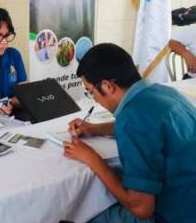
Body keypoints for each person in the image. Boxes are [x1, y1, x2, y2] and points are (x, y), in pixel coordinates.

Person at [63, 43, 196, 223]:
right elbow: (150, 125)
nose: (93, 99)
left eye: (90, 92)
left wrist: (92, 159)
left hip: (174, 215)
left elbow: (141, 208)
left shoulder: (132, 119)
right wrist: (94, 128)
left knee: (82, 214)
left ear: (107, 86)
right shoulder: (163, 92)